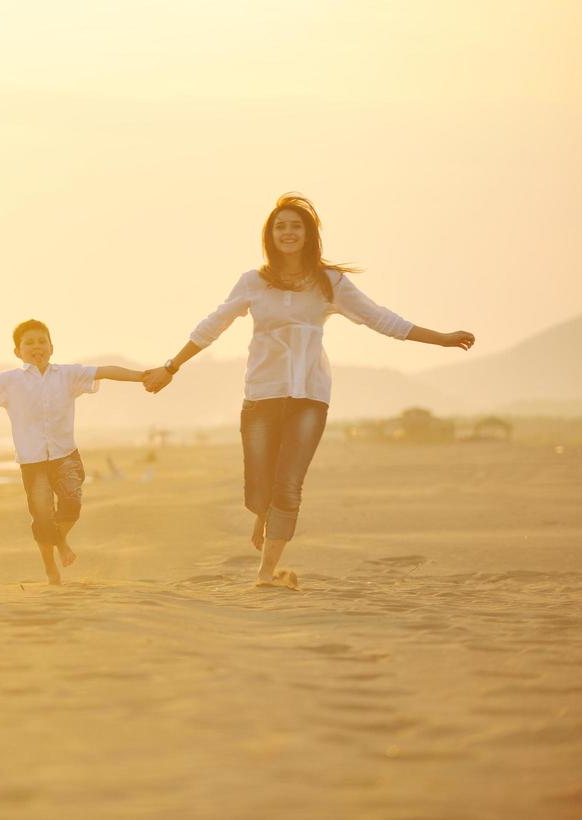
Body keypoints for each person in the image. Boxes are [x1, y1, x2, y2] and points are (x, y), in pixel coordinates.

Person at [140, 193, 476, 589]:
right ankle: (263, 515)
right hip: (262, 393)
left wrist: (441, 339)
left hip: (310, 395)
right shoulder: (253, 282)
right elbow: (212, 326)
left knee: (288, 484)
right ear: (270, 235)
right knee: (260, 484)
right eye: (280, 226)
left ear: (308, 233)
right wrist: (171, 367)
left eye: (295, 225)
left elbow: (379, 318)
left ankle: (266, 571)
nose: (287, 232)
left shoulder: (328, 282)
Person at [0, 319, 147, 585]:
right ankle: (52, 565)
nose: (36, 346)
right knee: (42, 517)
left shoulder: (67, 375)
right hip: (32, 461)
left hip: (65, 455)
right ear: (18, 351)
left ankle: (60, 544)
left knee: (72, 506)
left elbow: (104, 371)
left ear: (51, 347)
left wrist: (141, 376)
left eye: (41, 341)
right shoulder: (9, 381)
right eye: (29, 342)